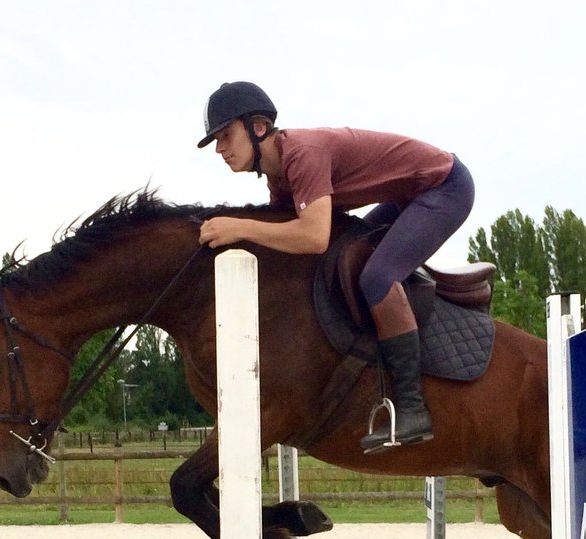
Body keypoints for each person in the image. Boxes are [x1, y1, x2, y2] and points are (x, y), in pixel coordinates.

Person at [196, 81, 475, 454]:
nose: (219, 148)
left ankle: (412, 408)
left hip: (444, 187)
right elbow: (288, 240)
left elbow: (313, 237)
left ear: (258, 127)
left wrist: (238, 227)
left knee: (376, 276)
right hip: (407, 196)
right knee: (348, 257)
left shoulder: (302, 155)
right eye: (216, 140)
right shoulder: (280, 179)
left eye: (225, 135)